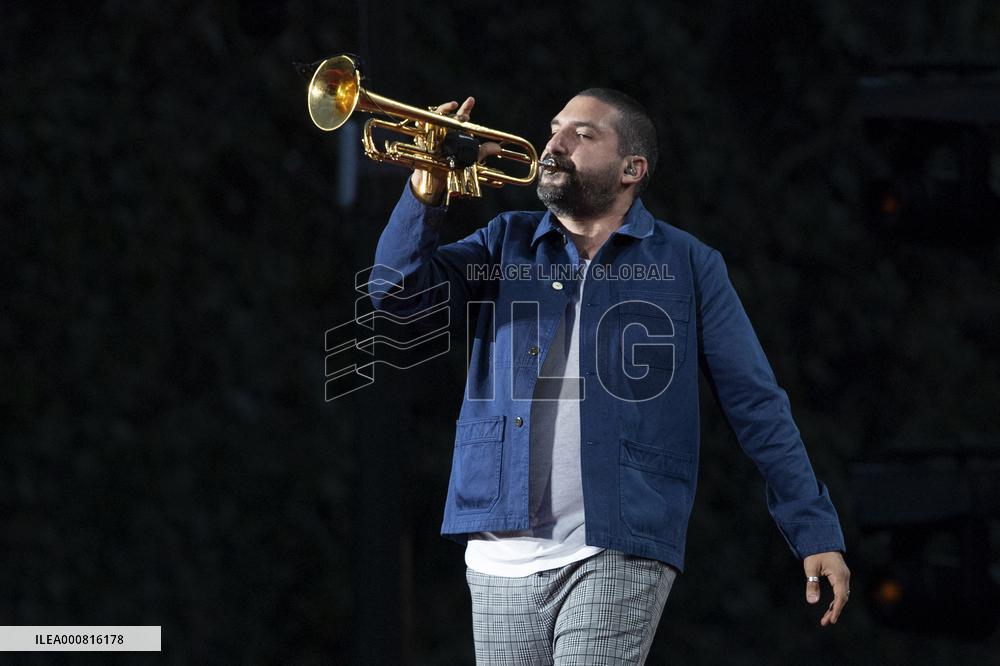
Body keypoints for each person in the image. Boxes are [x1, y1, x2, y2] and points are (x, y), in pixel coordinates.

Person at [368, 90, 850, 664]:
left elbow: (756, 400)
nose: (554, 144)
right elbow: (395, 300)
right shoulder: (504, 243)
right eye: (554, 129)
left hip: (618, 540)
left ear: (632, 169)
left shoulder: (689, 264)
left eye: (583, 133)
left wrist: (813, 527)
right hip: (496, 551)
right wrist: (426, 190)